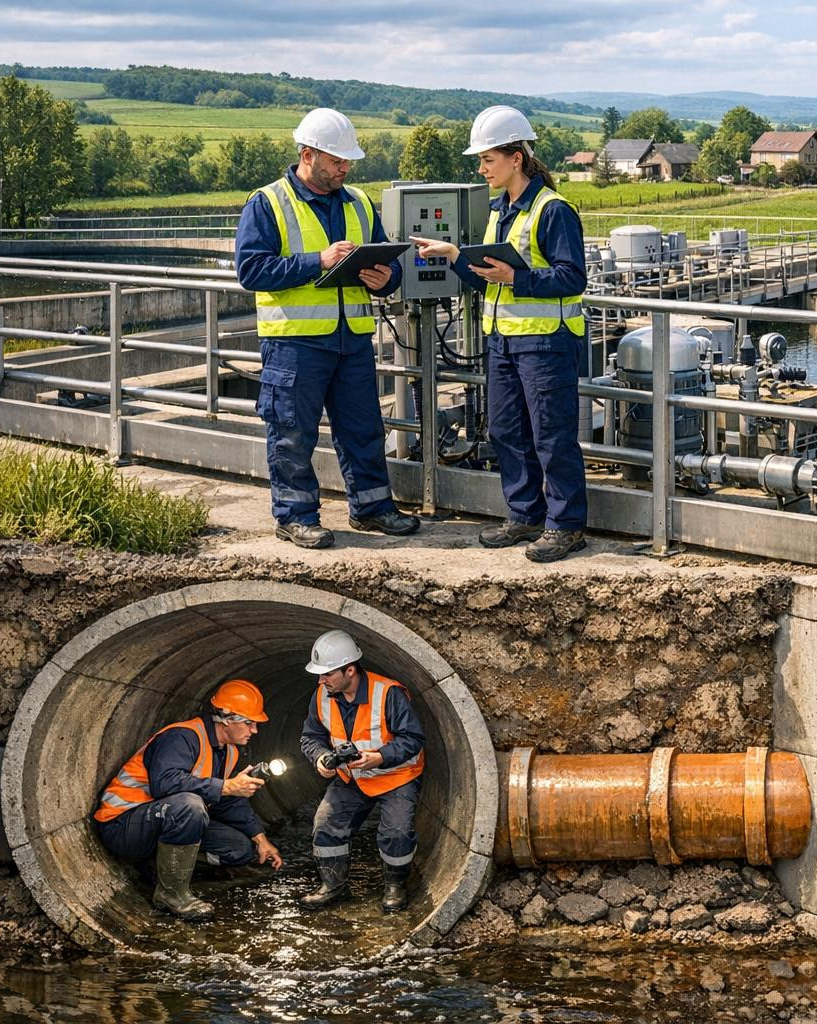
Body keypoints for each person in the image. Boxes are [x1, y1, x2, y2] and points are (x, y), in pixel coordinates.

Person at [235, 107, 420, 549]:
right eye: (337, 161)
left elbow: (386, 266)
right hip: (294, 343)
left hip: (352, 340)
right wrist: (318, 261)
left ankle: (373, 508)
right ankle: (295, 515)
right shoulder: (268, 202)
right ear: (307, 155)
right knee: (292, 431)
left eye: (347, 161)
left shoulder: (357, 202)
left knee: (364, 428)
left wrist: (385, 279)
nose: (345, 168)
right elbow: (252, 270)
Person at [412, 105, 589, 563]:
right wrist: (454, 256)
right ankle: (524, 513)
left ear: (517, 158)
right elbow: (489, 278)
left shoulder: (553, 211)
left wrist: (517, 279)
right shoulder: (498, 212)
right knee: (508, 430)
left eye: (488, 159)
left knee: (551, 434)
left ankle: (566, 525)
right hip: (503, 340)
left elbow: (572, 278)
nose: (481, 168)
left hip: (546, 340)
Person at [93, 679, 283, 922]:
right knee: (189, 805)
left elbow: (229, 801)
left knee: (239, 850)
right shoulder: (182, 736)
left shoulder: (230, 751)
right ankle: (171, 894)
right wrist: (225, 786)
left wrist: (261, 839)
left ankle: (163, 866)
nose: (254, 730)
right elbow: (164, 783)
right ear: (226, 718)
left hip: (162, 826)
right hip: (124, 825)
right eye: (248, 723)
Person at [298, 629, 426, 913]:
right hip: (352, 778)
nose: (321, 680)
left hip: (395, 777)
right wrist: (320, 757)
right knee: (325, 824)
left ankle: (395, 886)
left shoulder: (388, 694)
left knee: (396, 831)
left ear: (350, 670)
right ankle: (332, 885)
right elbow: (310, 737)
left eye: (327, 673)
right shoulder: (321, 696)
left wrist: (379, 757)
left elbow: (413, 739)